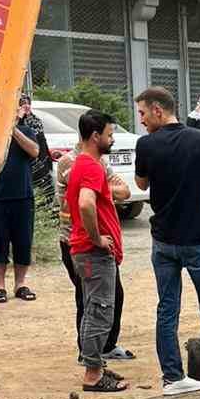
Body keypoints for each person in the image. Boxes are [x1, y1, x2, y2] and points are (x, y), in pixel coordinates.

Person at [133, 85, 200, 399]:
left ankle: (173, 378)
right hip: (198, 237)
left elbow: (141, 182)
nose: (141, 120)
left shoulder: (146, 144)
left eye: (143, 113)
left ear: (158, 110)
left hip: (163, 239)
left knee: (167, 309)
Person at [57, 119, 134, 363]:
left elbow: (126, 191)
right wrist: (96, 237)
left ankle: (103, 349)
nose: (112, 139)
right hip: (84, 243)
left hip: (91, 244)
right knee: (92, 302)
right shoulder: (78, 163)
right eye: (109, 134)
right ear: (94, 135)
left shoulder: (95, 162)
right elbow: (86, 202)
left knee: (108, 299)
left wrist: (103, 188)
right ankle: (90, 359)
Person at [0, 93, 43, 303]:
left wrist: (13, 129)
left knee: (23, 241)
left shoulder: (27, 131)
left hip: (23, 196)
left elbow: (35, 151)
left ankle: (20, 284)